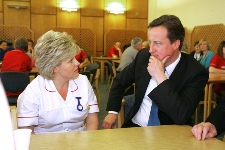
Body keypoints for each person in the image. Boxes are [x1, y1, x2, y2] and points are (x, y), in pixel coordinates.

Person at [102, 15, 208, 129]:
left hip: (171, 133)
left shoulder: (195, 71)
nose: (151, 49)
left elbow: (181, 115)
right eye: (150, 42)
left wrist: (159, 76)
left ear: (176, 44)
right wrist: (112, 112)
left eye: (157, 43)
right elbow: (119, 81)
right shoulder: (144, 57)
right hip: (135, 127)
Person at [17, 30, 99, 134]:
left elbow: (92, 119)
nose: (77, 63)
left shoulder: (83, 81)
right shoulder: (33, 91)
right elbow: (27, 133)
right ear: (54, 67)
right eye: (70, 60)